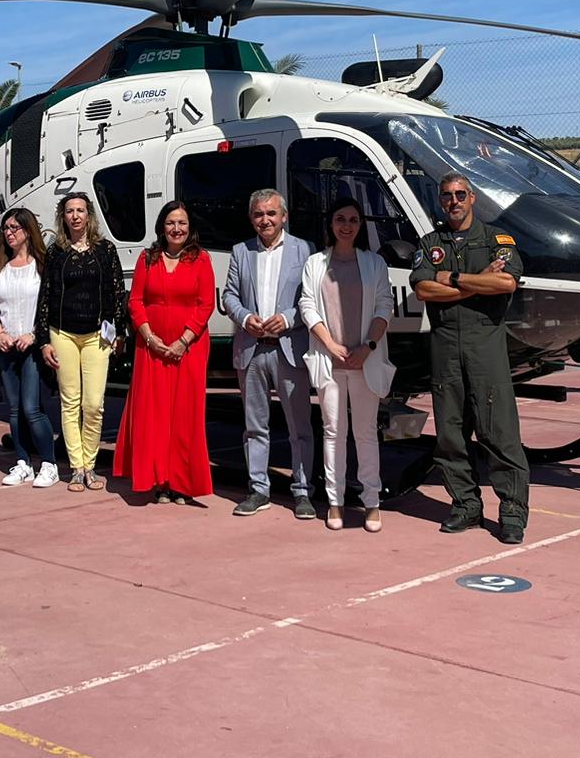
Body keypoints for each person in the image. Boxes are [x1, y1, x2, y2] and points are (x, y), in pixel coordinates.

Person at [413, 173, 528, 544]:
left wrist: (455, 277)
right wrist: (476, 281)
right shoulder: (431, 243)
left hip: (485, 350)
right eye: (447, 196)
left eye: (460, 194)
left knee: (499, 431)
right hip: (445, 349)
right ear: (440, 200)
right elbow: (424, 289)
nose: (454, 201)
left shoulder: (497, 240)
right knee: (450, 434)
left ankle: (511, 510)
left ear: (473, 197)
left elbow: (505, 283)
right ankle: (465, 505)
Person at [299, 198, 394, 531]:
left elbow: (385, 307)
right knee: (333, 433)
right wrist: (329, 344)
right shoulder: (315, 264)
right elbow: (307, 306)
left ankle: (371, 502)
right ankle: (335, 503)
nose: (346, 225)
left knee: (365, 434)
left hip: (365, 362)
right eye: (340, 219)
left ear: (360, 225)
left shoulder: (374, 264)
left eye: (353, 219)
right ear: (331, 223)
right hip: (331, 361)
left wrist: (367, 347)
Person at [113, 201, 216, 504]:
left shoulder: (202, 259)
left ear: (190, 227)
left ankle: (181, 483)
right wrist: (148, 336)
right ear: (162, 227)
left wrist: (183, 340)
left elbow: (206, 304)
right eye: (171, 223)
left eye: (182, 223)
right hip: (151, 348)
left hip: (190, 349)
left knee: (185, 416)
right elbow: (135, 301)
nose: (177, 229)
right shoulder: (148, 258)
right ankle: (158, 480)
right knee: (153, 415)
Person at [222, 189, 316, 519]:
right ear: (252, 219)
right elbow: (229, 297)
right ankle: (258, 489)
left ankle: (302, 491)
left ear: (284, 216)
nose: (266, 220)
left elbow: (311, 298)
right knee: (254, 428)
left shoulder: (304, 250)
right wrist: (246, 318)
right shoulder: (240, 251)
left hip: (289, 350)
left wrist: (288, 319)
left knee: (299, 427)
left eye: (272, 214)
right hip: (251, 350)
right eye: (259, 214)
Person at [36, 191, 128, 492]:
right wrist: (43, 341)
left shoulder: (105, 250)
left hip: (97, 336)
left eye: (80, 210)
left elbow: (117, 293)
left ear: (89, 215)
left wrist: (120, 332)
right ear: (63, 217)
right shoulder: (56, 252)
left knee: (94, 403)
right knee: (70, 402)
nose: (75, 216)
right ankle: (77, 467)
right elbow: (45, 297)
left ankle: (91, 464)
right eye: (69, 211)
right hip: (62, 333)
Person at [0, 207, 60, 488]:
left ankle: (49, 464)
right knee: (14, 410)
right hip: (7, 348)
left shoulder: (42, 265)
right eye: (6, 228)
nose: (9, 233)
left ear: (28, 231)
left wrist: (34, 334)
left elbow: (51, 307)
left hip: (32, 347)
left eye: (15, 228)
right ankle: (22, 463)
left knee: (32, 408)